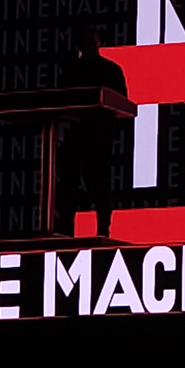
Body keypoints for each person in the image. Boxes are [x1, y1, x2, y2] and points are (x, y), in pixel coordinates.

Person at [54, 26, 128, 238]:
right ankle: (65, 231)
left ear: (99, 42)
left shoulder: (111, 70)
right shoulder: (71, 70)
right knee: (68, 186)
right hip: (75, 137)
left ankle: (103, 231)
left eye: (92, 40)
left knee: (100, 187)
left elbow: (122, 102)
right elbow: (60, 101)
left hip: (99, 138)